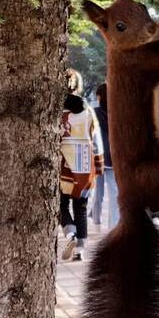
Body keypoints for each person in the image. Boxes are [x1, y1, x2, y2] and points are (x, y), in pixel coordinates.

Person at [60, 69, 103, 261]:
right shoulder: (88, 111)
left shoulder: (57, 111)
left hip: (63, 166)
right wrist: (99, 164)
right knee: (81, 207)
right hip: (84, 166)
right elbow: (96, 140)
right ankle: (80, 250)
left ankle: (70, 235)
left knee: (61, 205)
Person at [89, 83, 120, 229]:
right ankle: (113, 226)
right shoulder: (118, 113)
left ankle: (96, 218)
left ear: (99, 96)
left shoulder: (93, 112)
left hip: (98, 156)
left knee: (98, 191)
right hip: (114, 157)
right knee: (113, 193)